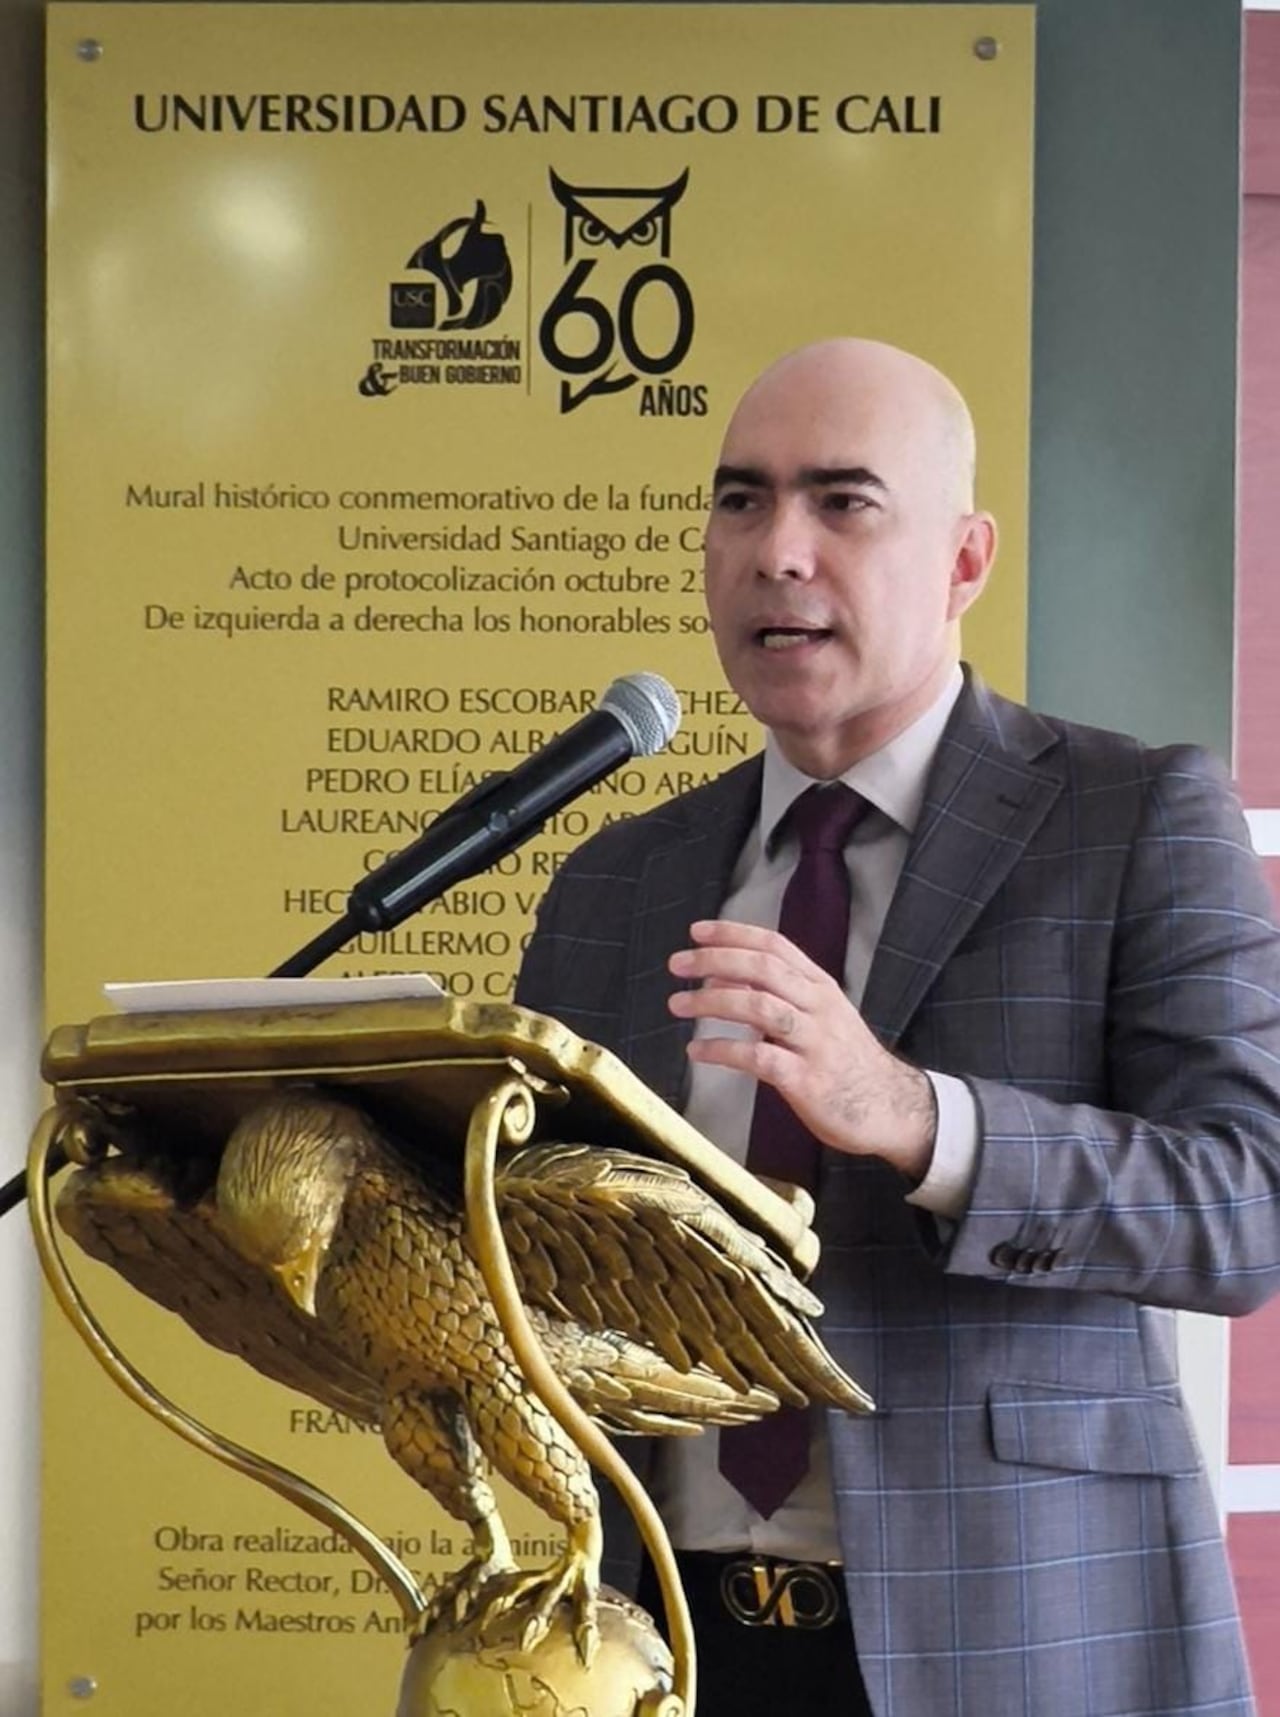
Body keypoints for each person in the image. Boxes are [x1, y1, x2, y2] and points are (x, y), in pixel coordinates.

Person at [515, 338, 1280, 1716]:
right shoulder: (612, 883)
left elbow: (1243, 1207)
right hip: (667, 1645)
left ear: (966, 559)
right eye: (739, 499)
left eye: (842, 501)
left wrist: (923, 1120)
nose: (776, 551)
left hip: (1021, 1640)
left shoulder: (1131, 817)